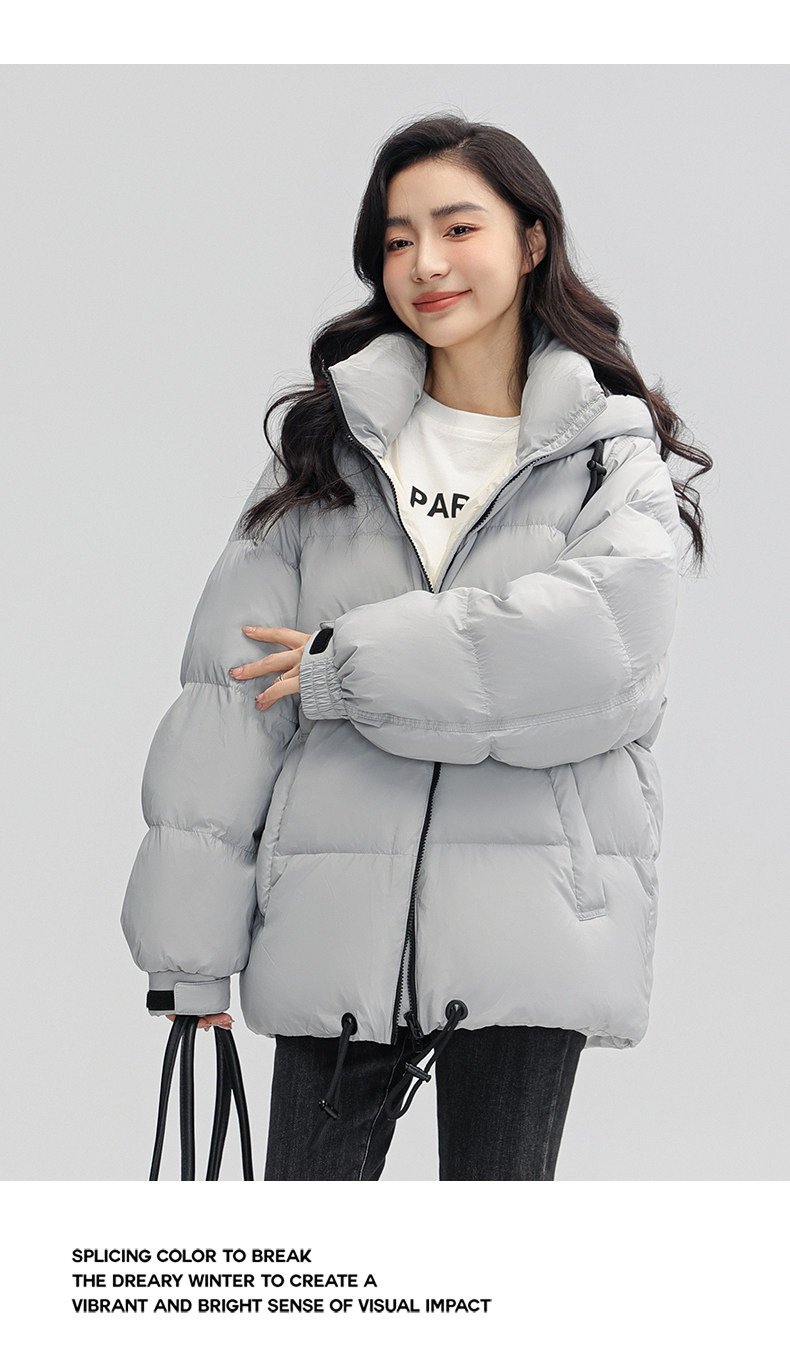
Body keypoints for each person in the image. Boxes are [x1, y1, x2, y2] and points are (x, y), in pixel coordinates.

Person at [121, 112, 710, 1182]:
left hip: (530, 922)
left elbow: (597, 657)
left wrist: (342, 667)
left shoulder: (607, 456)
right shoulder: (327, 450)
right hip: (333, 922)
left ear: (532, 241)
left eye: (457, 228)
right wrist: (189, 954)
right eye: (398, 240)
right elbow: (230, 696)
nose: (426, 263)